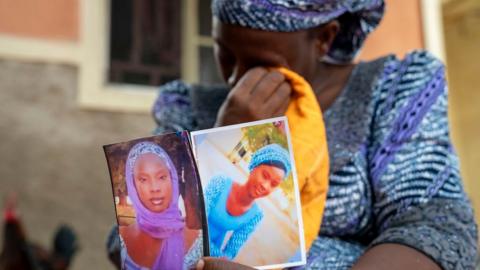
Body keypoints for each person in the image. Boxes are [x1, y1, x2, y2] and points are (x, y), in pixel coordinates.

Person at [153, 1, 478, 269]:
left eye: (259, 64)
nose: (236, 78)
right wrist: (228, 135)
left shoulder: (394, 91)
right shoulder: (189, 109)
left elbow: (436, 226)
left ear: (324, 38)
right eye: (224, 53)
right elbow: (138, 237)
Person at [204, 143, 291, 260]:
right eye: (265, 175)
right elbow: (194, 225)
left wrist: (222, 260)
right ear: (254, 167)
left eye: (274, 184)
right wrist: (219, 257)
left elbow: (230, 254)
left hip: (207, 259)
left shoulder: (256, 216)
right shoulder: (220, 183)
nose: (265, 186)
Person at [119, 141, 185, 270]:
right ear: (133, 186)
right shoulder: (120, 240)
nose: (154, 188)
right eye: (143, 179)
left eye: (161, 177)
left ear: (172, 179)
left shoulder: (197, 238)